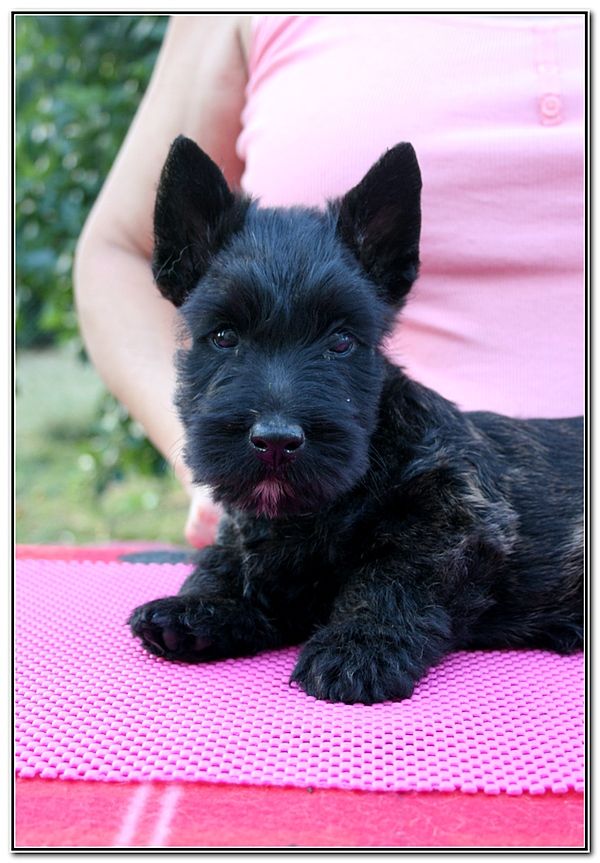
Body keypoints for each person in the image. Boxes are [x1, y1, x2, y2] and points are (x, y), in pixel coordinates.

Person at [74, 13, 585, 547]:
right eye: (225, 337)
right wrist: (200, 454)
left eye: (338, 342)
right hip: (355, 515)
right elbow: (119, 250)